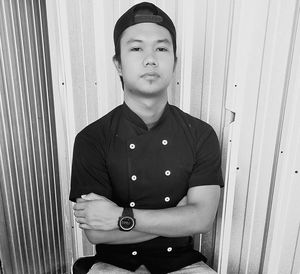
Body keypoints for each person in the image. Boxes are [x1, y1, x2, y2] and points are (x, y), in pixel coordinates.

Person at [70, 2, 224, 273]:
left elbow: (201, 221)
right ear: (118, 64)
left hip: (182, 262)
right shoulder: (91, 138)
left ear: (174, 62)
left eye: (162, 48)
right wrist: (178, 216)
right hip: (112, 263)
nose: (150, 59)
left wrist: (119, 217)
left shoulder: (201, 134)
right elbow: (96, 234)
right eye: (136, 48)